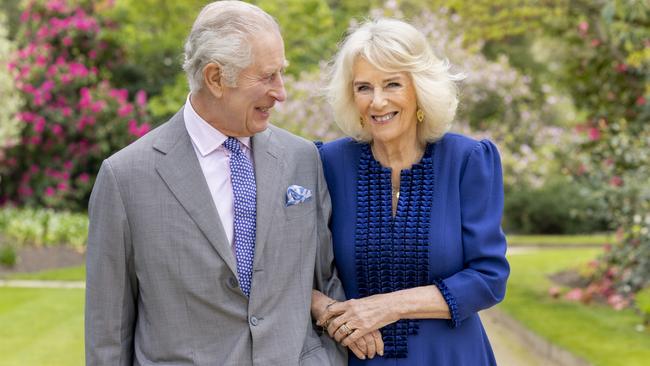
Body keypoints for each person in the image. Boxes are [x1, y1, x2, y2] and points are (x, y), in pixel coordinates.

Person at [85, 1, 347, 365]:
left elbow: (325, 277)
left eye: (281, 73)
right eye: (267, 76)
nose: (281, 92)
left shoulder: (302, 159)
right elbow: (107, 335)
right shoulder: (125, 177)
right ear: (215, 78)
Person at [311, 18, 510, 365]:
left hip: (451, 357)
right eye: (363, 88)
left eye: (392, 84)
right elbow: (287, 267)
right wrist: (328, 311)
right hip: (360, 357)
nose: (377, 101)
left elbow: (489, 278)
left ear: (419, 88)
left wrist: (385, 307)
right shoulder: (326, 164)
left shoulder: (467, 160)